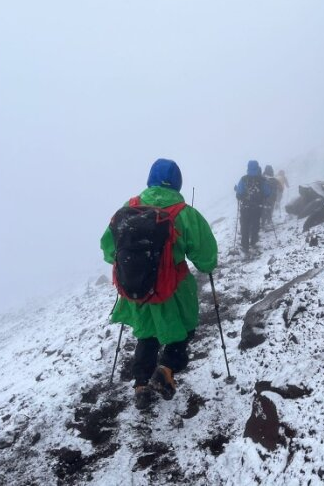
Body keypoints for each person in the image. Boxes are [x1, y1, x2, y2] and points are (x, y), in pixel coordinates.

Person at [101, 158, 218, 410]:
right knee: (183, 329)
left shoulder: (129, 208)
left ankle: (141, 385)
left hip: (137, 290)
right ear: (178, 182)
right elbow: (205, 256)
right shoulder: (185, 213)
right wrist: (206, 265)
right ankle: (166, 369)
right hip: (172, 289)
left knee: (147, 334)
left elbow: (108, 248)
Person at [235, 160, 270, 253]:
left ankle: (245, 245)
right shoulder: (262, 180)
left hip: (245, 207)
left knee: (245, 226)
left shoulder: (243, 179)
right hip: (257, 207)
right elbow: (267, 193)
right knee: (255, 224)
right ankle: (254, 242)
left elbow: (239, 193)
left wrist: (239, 196)